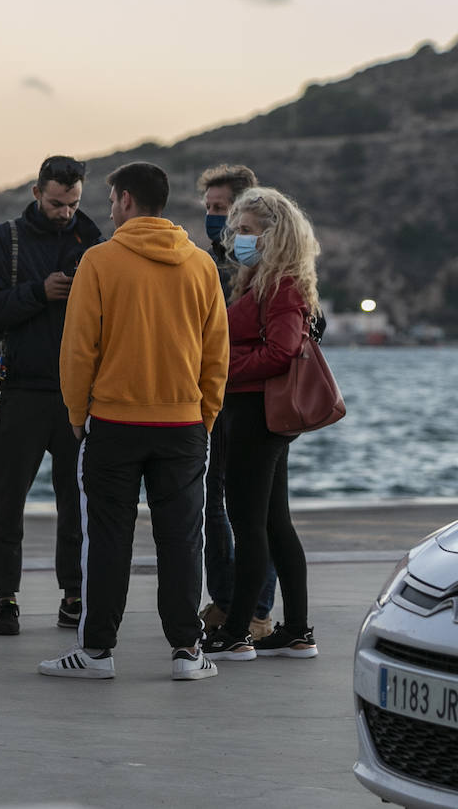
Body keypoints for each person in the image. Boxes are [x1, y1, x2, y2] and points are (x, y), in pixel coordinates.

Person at [39, 161, 229, 681]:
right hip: (184, 424)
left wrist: (78, 416)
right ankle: (187, 652)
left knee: (106, 539)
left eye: (110, 199)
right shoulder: (200, 266)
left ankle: (97, 652)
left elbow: (78, 351)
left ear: (125, 200)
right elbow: (217, 356)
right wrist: (204, 415)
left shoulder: (98, 262)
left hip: (114, 423)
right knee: (183, 540)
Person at [0, 155, 102, 635]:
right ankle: (6, 598)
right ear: (36, 192)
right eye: (56, 203)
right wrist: (38, 293)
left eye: (72, 204)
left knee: (77, 503)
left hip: (77, 395)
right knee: (6, 504)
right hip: (21, 392)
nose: (65, 212)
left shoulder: (93, 242)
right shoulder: (4, 240)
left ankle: (73, 594)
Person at [200, 187, 322, 661]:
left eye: (247, 230)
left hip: (257, 415)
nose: (238, 238)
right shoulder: (262, 282)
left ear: (274, 235)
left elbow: (282, 351)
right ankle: (295, 630)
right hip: (255, 413)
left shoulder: (282, 285)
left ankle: (236, 632)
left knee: (249, 524)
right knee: (273, 523)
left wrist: (224, 366)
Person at [195, 164, 278, 641]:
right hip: (215, 398)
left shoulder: (263, 269)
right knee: (215, 505)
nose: (213, 217)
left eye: (221, 209)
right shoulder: (211, 259)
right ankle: (227, 600)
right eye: (208, 208)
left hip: (247, 402)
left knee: (248, 511)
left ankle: (255, 609)